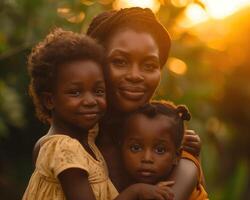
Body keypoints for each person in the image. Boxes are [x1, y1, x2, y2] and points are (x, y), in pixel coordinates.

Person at [23, 28, 175, 200]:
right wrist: (137, 191)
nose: (90, 101)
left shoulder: (85, 136)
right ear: (50, 100)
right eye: (75, 92)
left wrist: (178, 137)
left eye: (98, 91)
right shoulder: (65, 148)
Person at [86, 7, 207, 200]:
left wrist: (192, 161)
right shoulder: (72, 146)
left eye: (149, 65)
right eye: (120, 61)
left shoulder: (172, 138)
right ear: (96, 65)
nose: (135, 76)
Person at [121, 101, 208, 200]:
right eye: (136, 148)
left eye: (160, 150)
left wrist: (135, 192)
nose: (147, 158)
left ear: (177, 156)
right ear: (121, 147)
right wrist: (136, 190)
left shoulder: (179, 180)